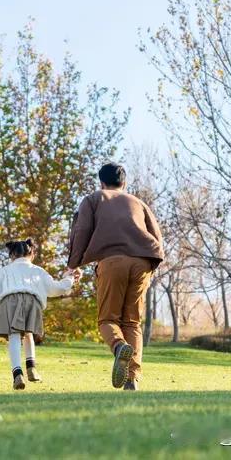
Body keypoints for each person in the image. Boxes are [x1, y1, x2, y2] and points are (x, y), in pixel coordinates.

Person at [67, 163, 164, 391]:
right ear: (124, 183)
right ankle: (132, 378)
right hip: (142, 261)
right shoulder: (139, 203)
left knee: (108, 320)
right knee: (132, 321)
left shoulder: (93, 199)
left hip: (111, 260)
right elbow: (156, 235)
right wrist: (151, 264)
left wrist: (74, 263)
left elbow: (81, 231)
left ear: (101, 182)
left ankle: (119, 347)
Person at [0, 239, 75, 390]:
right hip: (32, 301)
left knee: (14, 336)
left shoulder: (5, 270)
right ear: (32, 253)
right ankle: (31, 367)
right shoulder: (38, 270)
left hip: (9, 300)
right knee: (28, 333)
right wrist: (70, 278)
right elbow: (55, 289)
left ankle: (17, 373)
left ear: (11, 255)